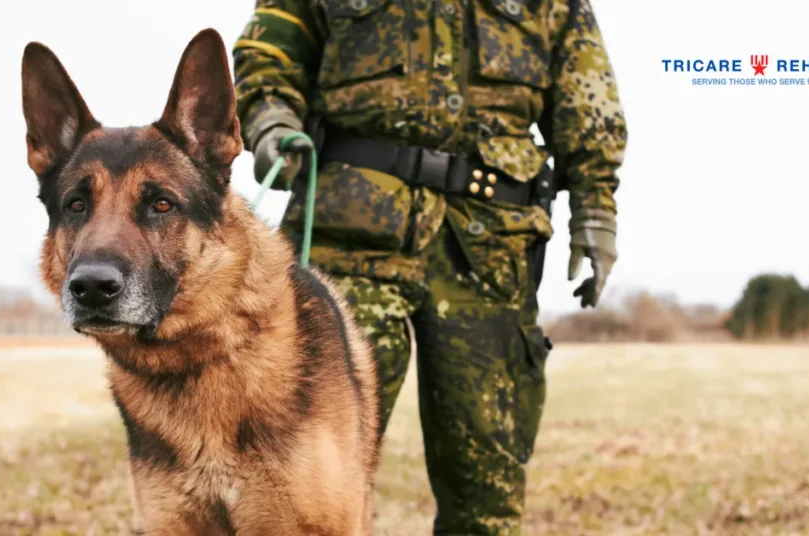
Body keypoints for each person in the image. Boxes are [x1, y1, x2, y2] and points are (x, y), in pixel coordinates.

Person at [232, 0, 627, 533]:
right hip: (350, 237)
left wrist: (596, 208)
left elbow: (586, 91)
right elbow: (271, 47)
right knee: (308, 464)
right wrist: (269, 121)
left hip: (491, 242)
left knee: (487, 482)